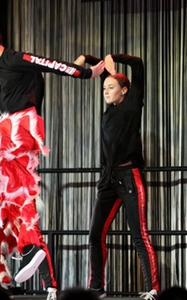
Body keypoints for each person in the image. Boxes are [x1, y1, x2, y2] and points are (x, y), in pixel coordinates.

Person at [0, 20, 104, 297]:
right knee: (20, 196)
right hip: (12, 139)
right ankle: (32, 250)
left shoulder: (16, 59)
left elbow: (51, 64)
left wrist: (85, 74)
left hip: (25, 126)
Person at [75, 53, 159, 300]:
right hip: (108, 178)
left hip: (129, 176)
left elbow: (139, 65)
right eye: (104, 87)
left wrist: (115, 58)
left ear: (125, 90)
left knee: (139, 235)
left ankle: (153, 289)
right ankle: (97, 288)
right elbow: (99, 67)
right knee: (95, 234)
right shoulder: (109, 110)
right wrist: (88, 58)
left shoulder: (133, 104)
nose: (106, 90)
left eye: (111, 87)